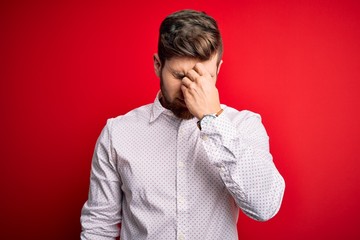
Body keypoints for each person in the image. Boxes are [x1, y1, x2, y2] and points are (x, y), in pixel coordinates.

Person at [80, 9, 285, 240]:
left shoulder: (244, 126)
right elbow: (98, 227)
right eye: (179, 76)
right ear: (158, 65)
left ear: (217, 70)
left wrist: (212, 120)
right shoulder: (117, 133)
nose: (190, 88)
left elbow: (265, 207)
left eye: (203, 77)